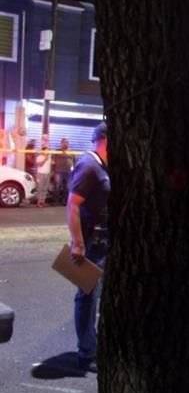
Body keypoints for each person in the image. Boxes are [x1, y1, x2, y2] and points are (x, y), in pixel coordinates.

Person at [66, 122, 110, 372]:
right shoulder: (89, 165)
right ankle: (86, 352)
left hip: (104, 242)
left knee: (97, 296)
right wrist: (77, 243)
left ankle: (93, 346)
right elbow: (72, 205)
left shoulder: (103, 166)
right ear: (105, 140)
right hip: (91, 243)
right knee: (87, 297)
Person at [53, 138, 75, 204]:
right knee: (57, 186)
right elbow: (53, 161)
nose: (66, 144)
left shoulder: (71, 152)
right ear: (61, 143)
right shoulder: (57, 151)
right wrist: (53, 171)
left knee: (68, 187)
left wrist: (73, 171)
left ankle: (65, 201)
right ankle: (56, 201)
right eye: (64, 142)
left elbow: (74, 161)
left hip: (68, 172)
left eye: (67, 142)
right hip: (59, 171)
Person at [35, 134, 52, 207]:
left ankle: (43, 201)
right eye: (46, 150)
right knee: (40, 188)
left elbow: (51, 163)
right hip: (40, 173)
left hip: (47, 173)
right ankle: (39, 202)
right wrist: (45, 158)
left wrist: (51, 172)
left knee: (45, 188)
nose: (47, 151)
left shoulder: (49, 154)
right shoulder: (39, 154)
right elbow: (39, 165)